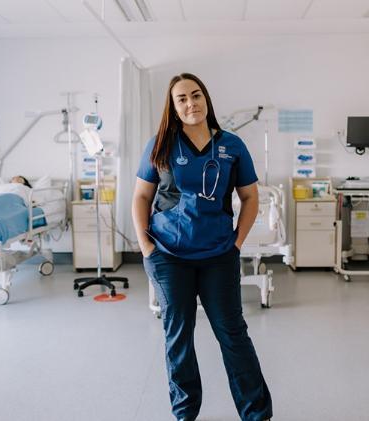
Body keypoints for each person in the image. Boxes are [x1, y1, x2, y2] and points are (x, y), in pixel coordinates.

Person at [132, 73, 272, 421]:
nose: (190, 103)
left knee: (233, 334)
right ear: (174, 107)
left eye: (196, 95)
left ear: (206, 99)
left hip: (218, 254)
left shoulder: (232, 145)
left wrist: (237, 241)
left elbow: (250, 196)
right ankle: (185, 414)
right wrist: (146, 247)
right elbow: (141, 195)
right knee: (178, 338)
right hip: (168, 255)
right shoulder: (160, 145)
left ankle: (257, 415)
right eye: (182, 99)